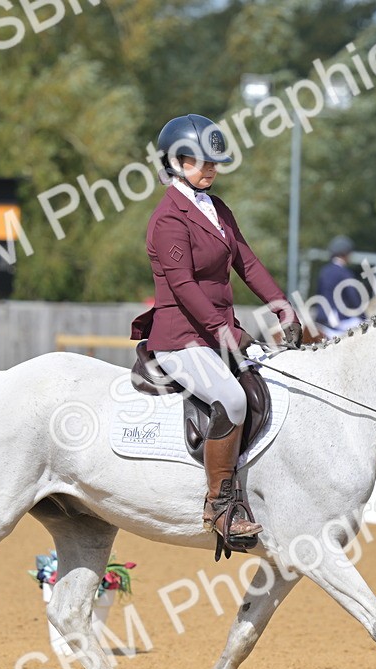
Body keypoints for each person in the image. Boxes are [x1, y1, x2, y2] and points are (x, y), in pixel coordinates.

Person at [130, 113, 301, 557]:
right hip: (181, 338)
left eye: (214, 161)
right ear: (173, 162)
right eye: (197, 161)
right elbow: (183, 286)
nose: (208, 169)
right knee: (234, 400)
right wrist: (226, 332)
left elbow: (247, 262)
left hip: (215, 334)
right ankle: (220, 506)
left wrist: (282, 307)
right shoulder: (169, 218)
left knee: (274, 387)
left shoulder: (217, 208)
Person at [312, 235, 369, 338]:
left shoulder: (324, 271)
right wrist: (365, 318)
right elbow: (353, 298)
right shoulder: (344, 273)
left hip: (320, 318)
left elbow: (318, 293)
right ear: (345, 253)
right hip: (337, 320)